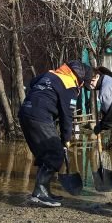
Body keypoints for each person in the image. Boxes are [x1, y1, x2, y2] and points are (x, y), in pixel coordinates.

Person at [19, 61, 97, 207]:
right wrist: (66, 139)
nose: (81, 86)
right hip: (39, 116)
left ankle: (43, 192)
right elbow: (67, 117)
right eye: (83, 84)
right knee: (55, 154)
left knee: (45, 155)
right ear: (80, 78)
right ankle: (40, 193)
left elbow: (33, 82)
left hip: (25, 112)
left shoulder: (50, 74)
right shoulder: (69, 85)